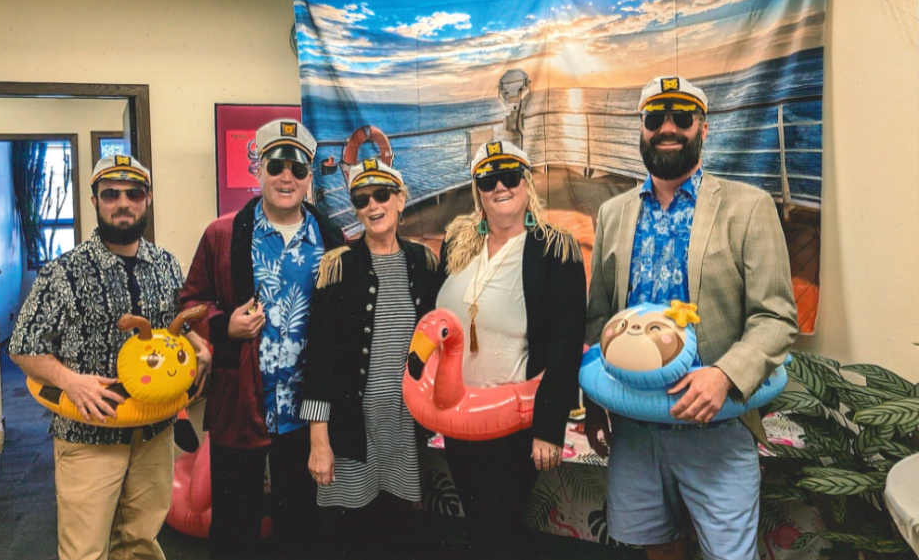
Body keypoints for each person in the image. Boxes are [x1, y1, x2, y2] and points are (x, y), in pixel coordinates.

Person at [584, 76, 799, 560]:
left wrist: (725, 376)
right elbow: (597, 316)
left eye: (682, 117)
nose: (668, 128)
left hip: (716, 431)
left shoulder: (750, 207)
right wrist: (595, 402)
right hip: (634, 431)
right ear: (640, 128)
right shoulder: (612, 213)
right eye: (655, 117)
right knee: (656, 551)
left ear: (704, 128)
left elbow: (776, 317)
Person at [9, 154, 211, 560]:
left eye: (133, 193)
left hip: (155, 431)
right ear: (95, 200)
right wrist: (71, 381)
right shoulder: (63, 272)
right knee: (85, 550)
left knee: (140, 543)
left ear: (147, 199)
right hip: (90, 433)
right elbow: (24, 346)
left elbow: (172, 325)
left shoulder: (166, 265)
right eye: (111, 194)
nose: (123, 202)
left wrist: (196, 346)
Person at [179, 119, 345, 560]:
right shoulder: (223, 233)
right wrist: (222, 328)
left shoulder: (332, 240)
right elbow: (188, 304)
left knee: (302, 529)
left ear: (310, 176)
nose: (286, 176)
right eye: (276, 165)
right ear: (259, 170)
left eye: (297, 167)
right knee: (235, 529)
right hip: (241, 406)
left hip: (306, 414)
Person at [435, 141, 585, 559]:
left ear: (527, 182)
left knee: (496, 530)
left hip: (514, 424)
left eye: (510, 176)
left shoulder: (555, 248)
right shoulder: (456, 244)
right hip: (459, 419)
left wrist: (548, 429)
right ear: (477, 190)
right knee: (479, 527)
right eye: (488, 179)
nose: (500, 186)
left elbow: (565, 344)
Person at [299, 159, 440, 559]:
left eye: (382, 195)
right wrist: (318, 441)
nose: (373, 206)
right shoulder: (338, 266)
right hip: (350, 435)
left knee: (396, 537)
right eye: (362, 200)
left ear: (400, 200)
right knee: (349, 540)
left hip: (402, 432)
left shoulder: (423, 263)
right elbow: (320, 360)